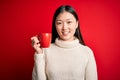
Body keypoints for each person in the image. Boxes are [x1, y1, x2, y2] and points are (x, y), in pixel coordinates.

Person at [31, 5, 98, 80]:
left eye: (69, 22)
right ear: (55, 25)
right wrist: (39, 54)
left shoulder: (87, 52)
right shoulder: (46, 50)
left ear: (76, 24)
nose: (64, 27)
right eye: (59, 23)